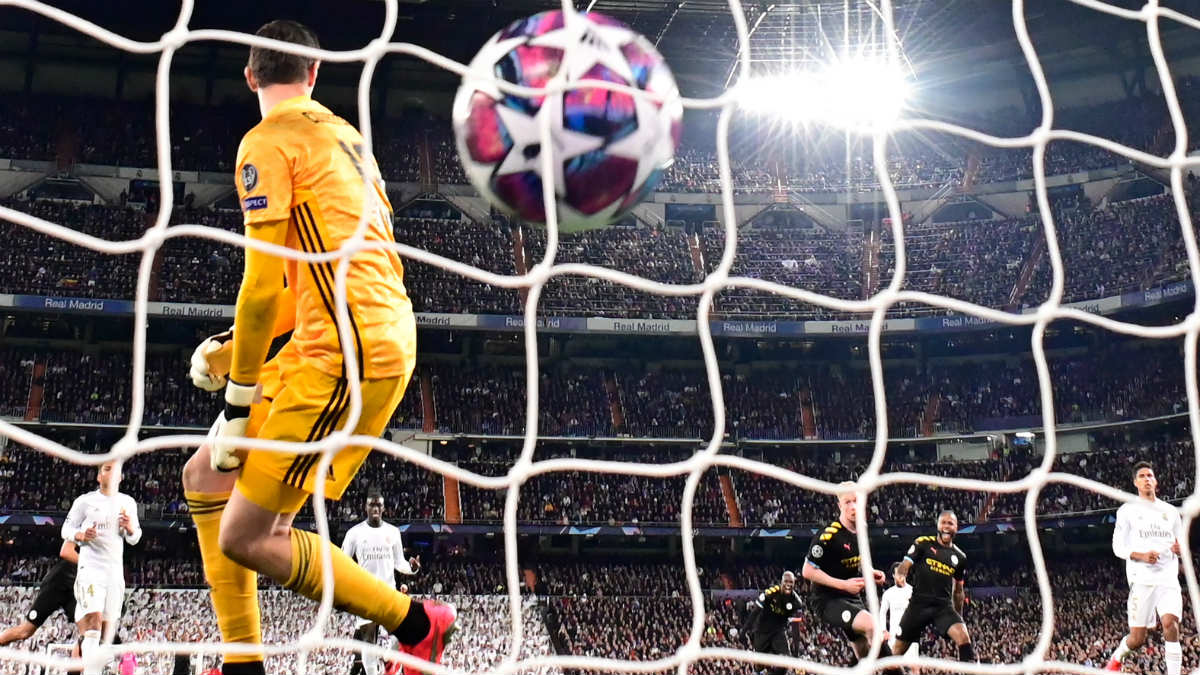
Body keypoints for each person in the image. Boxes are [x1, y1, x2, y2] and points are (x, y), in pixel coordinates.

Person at [179, 19, 451, 675]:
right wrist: (228, 351)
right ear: (315, 73)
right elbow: (306, 284)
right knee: (203, 476)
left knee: (248, 536)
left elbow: (261, 285)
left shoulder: (266, 142)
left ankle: (418, 623)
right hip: (338, 333)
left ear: (250, 76)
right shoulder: (346, 139)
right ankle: (242, 660)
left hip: (348, 352)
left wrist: (238, 399)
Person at [62, 461, 141, 675]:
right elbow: (66, 529)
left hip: (114, 573)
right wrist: (80, 535)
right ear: (99, 477)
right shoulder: (85, 502)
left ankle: (98, 665)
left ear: (121, 478)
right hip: (91, 569)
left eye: (116, 470)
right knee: (93, 619)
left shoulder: (127, 503)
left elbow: (135, 538)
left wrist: (129, 528)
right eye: (106, 469)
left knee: (107, 629)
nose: (111, 473)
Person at [1104, 461, 1183, 674]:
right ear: (1135, 483)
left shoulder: (1170, 511)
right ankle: (1117, 657)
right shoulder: (1127, 511)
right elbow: (1118, 547)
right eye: (1142, 476)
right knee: (1137, 638)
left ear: (1155, 481)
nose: (1147, 479)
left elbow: (1180, 542)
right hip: (1142, 579)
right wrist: (1142, 556)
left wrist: (1179, 549)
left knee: (1170, 624)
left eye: (1150, 475)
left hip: (1167, 578)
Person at [801, 483, 891, 663]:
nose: (853, 506)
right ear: (839, 506)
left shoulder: (861, 529)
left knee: (862, 651)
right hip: (827, 600)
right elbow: (807, 571)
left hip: (852, 598)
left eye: (856, 500)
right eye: (847, 502)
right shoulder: (828, 535)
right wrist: (844, 585)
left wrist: (871, 572)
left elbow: (858, 559)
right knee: (872, 626)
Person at [344, 488, 421, 675]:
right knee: (368, 641)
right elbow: (343, 561)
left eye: (379, 505)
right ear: (365, 507)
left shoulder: (393, 532)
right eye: (372, 504)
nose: (375, 508)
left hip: (388, 592)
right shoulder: (354, 533)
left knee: (403, 632)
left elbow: (399, 563)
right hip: (366, 594)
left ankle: (388, 657)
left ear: (384, 508)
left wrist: (412, 568)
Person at [891, 510, 974, 663]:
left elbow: (958, 591)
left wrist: (959, 617)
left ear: (956, 527)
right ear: (937, 525)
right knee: (896, 653)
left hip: (943, 606)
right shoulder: (923, 543)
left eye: (950, 523)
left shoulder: (960, 557)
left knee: (964, 637)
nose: (946, 526)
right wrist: (901, 575)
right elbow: (905, 564)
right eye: (943, 522)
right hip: (918, 604)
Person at [0, 539, 80, 647]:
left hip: (77, 584)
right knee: (26, 631)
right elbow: (66, 552)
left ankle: (83, 658)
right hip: (59, 581)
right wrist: (92, 567)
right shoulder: (85, 531)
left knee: (89, 631)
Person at [740, 571, 803, 675]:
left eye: (791, 582)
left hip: (778, 631)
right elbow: (755, 612)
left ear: (794, 583)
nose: (788, 584)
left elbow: (796, 630)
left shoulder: (796, 603)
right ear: (781, 582)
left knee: (785, 662)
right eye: (786, 581)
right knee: (760, 665)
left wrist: (796, 654)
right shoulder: (770, 593)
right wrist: (743, 632)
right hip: (762, 630)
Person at [879, 562, 917, 660]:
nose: (900, 576)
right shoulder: (888, 593)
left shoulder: (913, 591)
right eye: (897, 573)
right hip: (894, 635)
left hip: (910, 635)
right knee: (894, 663)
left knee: (913, 665)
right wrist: (883, 630)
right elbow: (882, 613)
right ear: (893, 575)